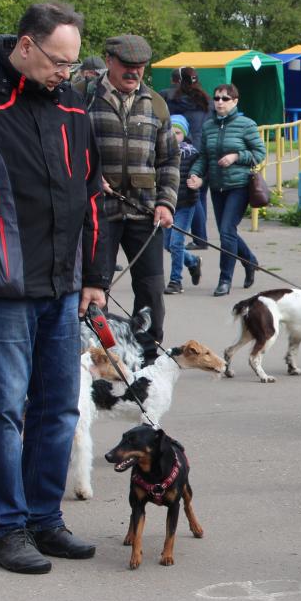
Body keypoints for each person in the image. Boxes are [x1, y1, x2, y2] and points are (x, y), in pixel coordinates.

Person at [0, 1, 110, 572]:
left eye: (72, 63)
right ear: (26, 46)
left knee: (58, 409)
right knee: (4, 411)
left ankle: (43, 519)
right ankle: (6, 528)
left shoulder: (72, 106)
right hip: (2, 288)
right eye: (58, 61)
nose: (66, 72)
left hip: (64, 286)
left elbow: (92, 192)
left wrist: (95, 276)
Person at [81, 34, 178, 361]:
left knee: (151, 292)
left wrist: (166, 202)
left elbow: (169, 159)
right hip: (97, 215)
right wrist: (89, 177)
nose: (134, 72)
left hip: (145, 215)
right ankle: (102, 354)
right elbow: (64, 149)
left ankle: (146, 357)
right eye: (127, 65)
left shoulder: (156, 104)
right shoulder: (82, 97)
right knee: (95, 292)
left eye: (140, 66)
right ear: (109, 61)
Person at [187, 84, 266, 297]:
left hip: (239, 186)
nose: (220, 102)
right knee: (227, 232)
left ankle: (225, 279)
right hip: (217, 186)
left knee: (226, 231)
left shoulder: (246, 124)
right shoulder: (208, 126)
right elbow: (204, 157)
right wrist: (195, 174)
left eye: (225, 98)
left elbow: (259, 153)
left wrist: (236, 156)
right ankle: (249, 261)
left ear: (235, 101)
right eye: (217, 98)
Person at [167, 66, 213, 249]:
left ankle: (197, 238)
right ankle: (201, 238)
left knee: (191, 195)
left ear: (176, 81)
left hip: (185, 152)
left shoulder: (173, 100)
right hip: (205, 150)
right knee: (200, 195)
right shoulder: (207, 100)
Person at [163, 115, 202, 295]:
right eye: (170, 132)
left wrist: (197, 180)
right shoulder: (161, 151)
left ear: (184, 134)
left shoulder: (192, 153)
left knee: (176, 243)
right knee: (167, 244)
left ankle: (175, 281)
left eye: (177, 133)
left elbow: (201, 172)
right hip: (167, 204)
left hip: (185, 204)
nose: (174, 136)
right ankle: (193, 261)